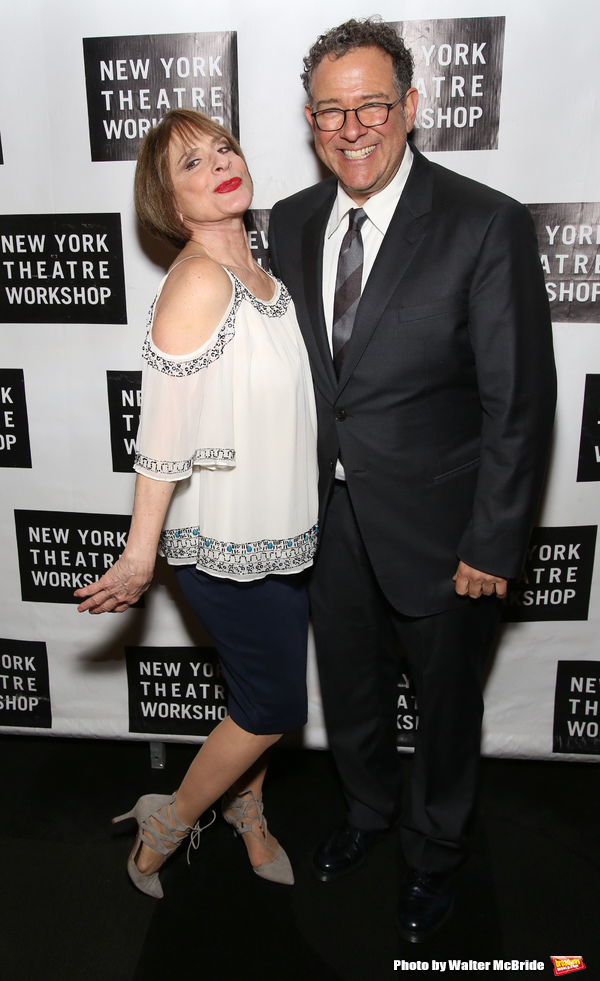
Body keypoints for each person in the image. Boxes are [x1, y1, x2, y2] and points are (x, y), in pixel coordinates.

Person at [268, 17, 556, 942]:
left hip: (442, 525)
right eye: (330, 111)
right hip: (325, 516)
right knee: (348, 688)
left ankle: (433, 854)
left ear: (413, 107)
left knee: (443, 711)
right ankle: (364, 814)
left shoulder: (484, 222)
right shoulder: (293, 219)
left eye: (373, 106)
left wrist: (492, 540)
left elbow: (517, 403)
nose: (353, 128)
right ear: (311, 120)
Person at [75, 108, 318, 898]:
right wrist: (140, 553)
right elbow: (163, 435)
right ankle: (167, 822)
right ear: (169, 204)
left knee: (254, 696)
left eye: (224, 147)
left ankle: (247, 810)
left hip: (282, 531)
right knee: (274, 703)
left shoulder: (267, 280)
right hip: (222, 539)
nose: (219, 163)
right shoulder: (198, 281)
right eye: (191, 163)